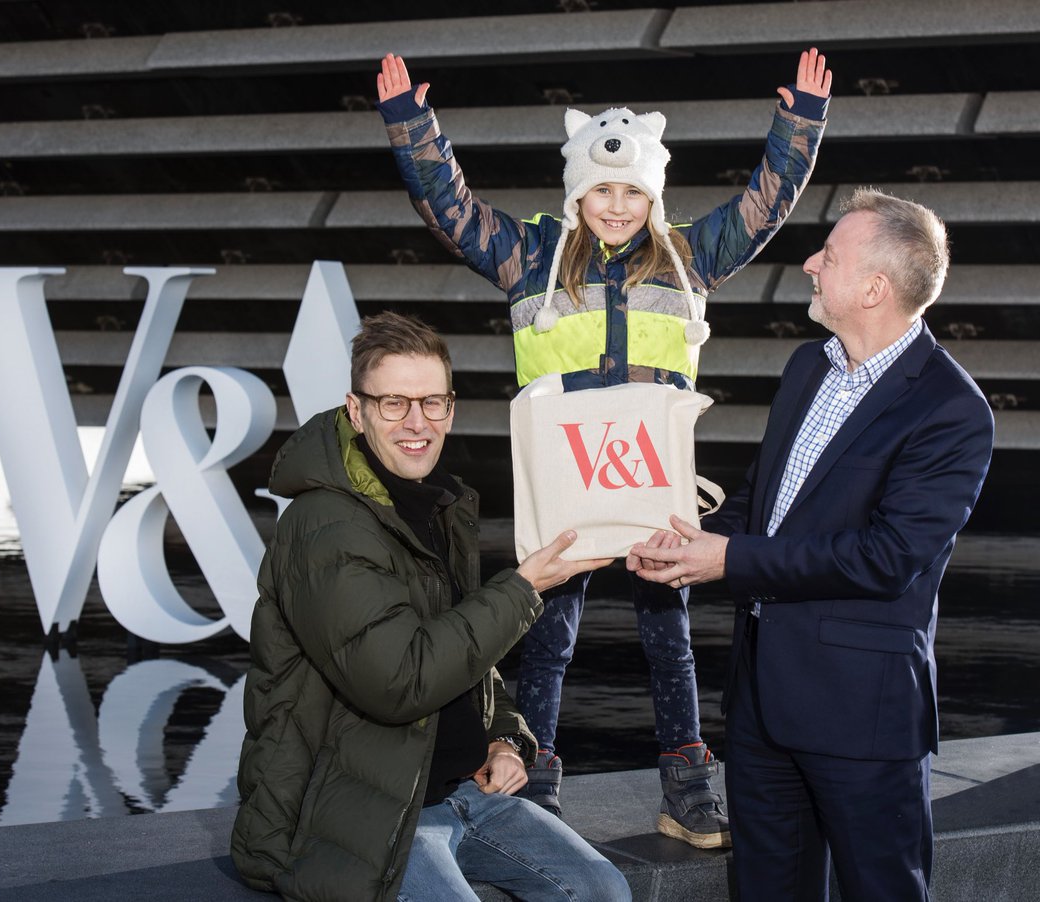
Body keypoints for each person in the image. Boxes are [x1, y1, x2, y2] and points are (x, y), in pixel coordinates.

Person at [375, 48, 831, 845]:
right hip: (563, 484)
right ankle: (537, 789)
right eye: (600, 191)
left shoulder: (690, 256)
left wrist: (798, 126)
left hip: (651, 481)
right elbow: (450, 206)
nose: (615, 206)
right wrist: (415, 129)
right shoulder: (530, 258)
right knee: (547, 641)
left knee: (670, 640)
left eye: (630, 192)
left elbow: (766, 205)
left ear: (651, 195)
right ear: (576, 193)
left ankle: (686, 791)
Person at [627, 188, 995, 900]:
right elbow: (763, 504)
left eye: (828, 255)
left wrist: (728, 561)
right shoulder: (808, 367)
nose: (809, 264)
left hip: (863, 716)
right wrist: (687, 547)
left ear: (872, 288)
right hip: (764, 704)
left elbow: (886, 559)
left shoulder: (952, 410)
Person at [230, 312, 628, 901]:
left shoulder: (440, 504)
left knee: (603, 891)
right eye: (394, 403)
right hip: (362, 808)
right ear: (355, 410)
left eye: (432, 402)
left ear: (451, 408)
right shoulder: (324, 525)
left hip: (467, 791)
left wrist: (503, 739)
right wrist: (523, 587)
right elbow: (398, 681)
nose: (417, 423)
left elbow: (467, 653)